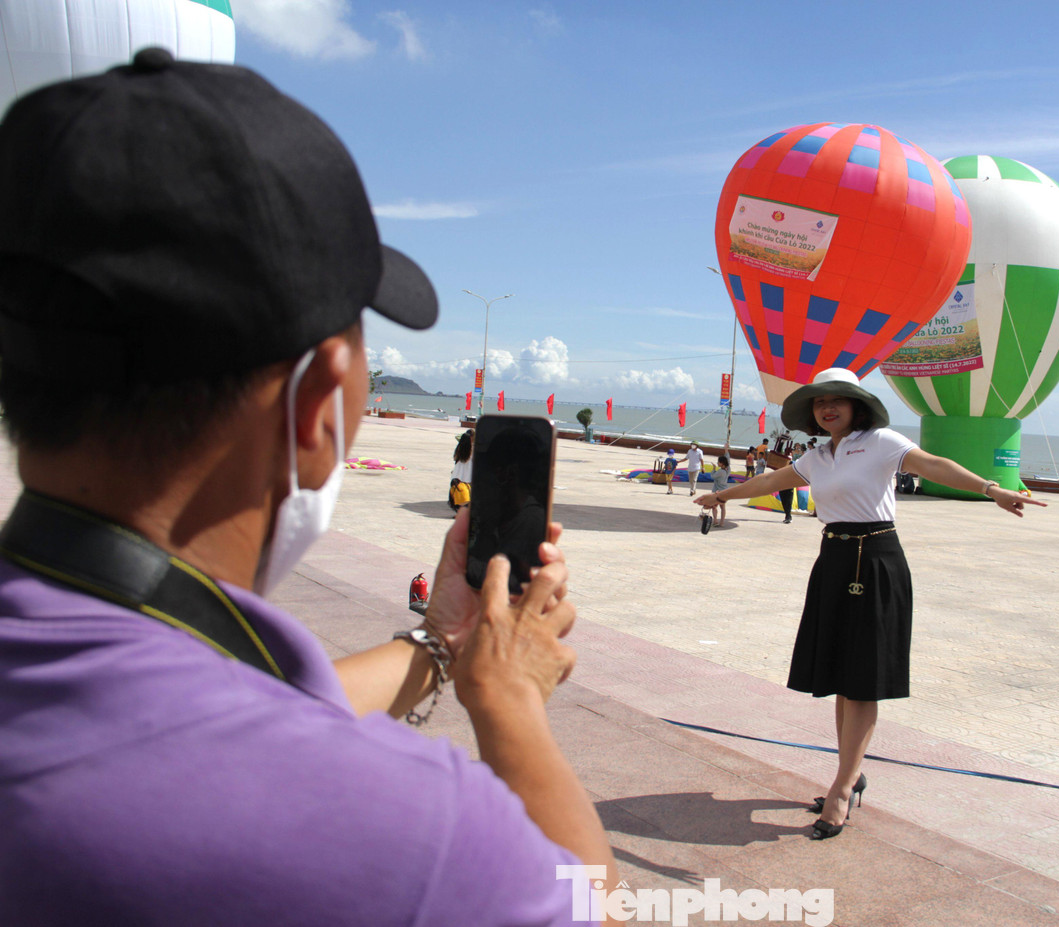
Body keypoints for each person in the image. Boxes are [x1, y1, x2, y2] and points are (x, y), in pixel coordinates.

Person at [0, 50, 612, 924]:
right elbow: (586, 904)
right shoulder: (422, 836)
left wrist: (442, 640)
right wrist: (509, 701)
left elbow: (228, 696)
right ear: (316, 409)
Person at [695, 368, 1042, 840]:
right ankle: (849, 774)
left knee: (861, 681)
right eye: (819, 403)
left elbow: (933, 464)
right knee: (840, 675)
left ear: (859, 406)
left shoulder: (880, 442)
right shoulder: (818, 455)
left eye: (838, 400)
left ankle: (841, 789)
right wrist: (722, 494)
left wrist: (991, 488)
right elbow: (772, 481)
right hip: (834, 558)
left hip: (874, 560)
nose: (827, 408)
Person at [450, 430, 473, 511]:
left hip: (458, 472)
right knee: (468, 492)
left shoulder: (459, 448)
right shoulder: (473, 449)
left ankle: (458, 509)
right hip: (468, 472)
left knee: (457, 491)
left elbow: (455, 458)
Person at [710, 455, 731, 527]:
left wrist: (713, 469)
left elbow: (713, 476)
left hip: (718, 491)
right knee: (723, 507)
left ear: (722, 463)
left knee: (714, 506)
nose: (717, 463)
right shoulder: (727, 470)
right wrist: (726, 450)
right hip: (725, 490)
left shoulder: (720, 471)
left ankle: (715, 520)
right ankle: (721, 522)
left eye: (719, 462)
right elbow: (728, 458)